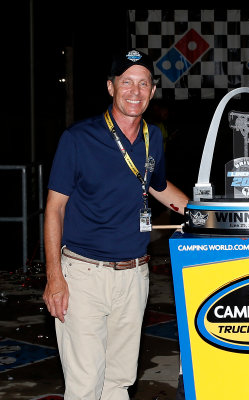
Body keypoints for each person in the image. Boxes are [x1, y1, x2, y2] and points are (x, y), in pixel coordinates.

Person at [42, 49, 189, 399]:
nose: (135, 91)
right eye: (126, 82)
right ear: (110, 87)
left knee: (118, 382)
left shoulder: (153, 136)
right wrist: (54, 278)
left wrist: (208, 215)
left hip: (134, 277)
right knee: (85, 385)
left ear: (152, 92)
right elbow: (54, 210)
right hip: (83, 276)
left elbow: (157, 185)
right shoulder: (78, 138)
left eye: (143, 83)